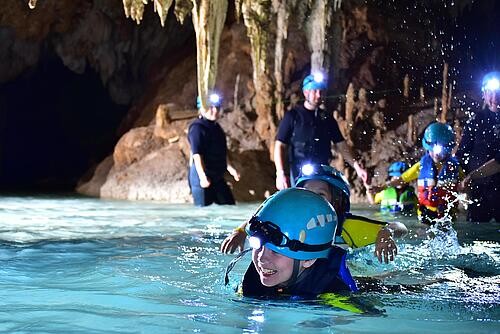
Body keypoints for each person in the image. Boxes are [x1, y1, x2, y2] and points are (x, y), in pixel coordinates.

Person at [221, 164, 407, 264]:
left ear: (337, 202)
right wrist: (241, 232)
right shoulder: (293, 219)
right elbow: (265, 221)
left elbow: (400, 227)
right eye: (307, 193)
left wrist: (384, 234)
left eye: (320, 195)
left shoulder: (346, 226)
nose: (311, 199)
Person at [236, 188, 358, 298]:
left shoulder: (331, 296)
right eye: (258, 246)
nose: (261, 258)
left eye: (275, 251)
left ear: (308, 260)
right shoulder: (251, 283)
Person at [274, 72, 368, 189]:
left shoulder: (327, 118)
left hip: (321, 170)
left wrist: (357, 168)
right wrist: (280, 173)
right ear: (306, 92)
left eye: (321, 91)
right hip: (298, 171)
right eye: (314, 91)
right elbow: (280, 145)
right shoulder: (293, 116)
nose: (319, 95)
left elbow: (341, 145)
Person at [374, 122, 462, 225]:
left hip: (448, 217)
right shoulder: (421, 166)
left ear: (448, 149)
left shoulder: (455, 168)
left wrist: (463, 186)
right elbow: (402, 180)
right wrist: (383, 187)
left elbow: (467, 184)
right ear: (427, 147)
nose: (437, 154)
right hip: (425, 215)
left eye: (441, 151)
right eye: (432, 149)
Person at [456, 71, 500, 222]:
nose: (494, 96)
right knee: (476, 235)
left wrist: (471, 176)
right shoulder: (476, 121)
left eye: (498, 91)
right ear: (484, 94)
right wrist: (457, 177)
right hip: (479, 191)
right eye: (490, 91)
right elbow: (461, 154)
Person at [188, 93, 240, 206]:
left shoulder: (217, 128)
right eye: (211, 107)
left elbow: (222, 153)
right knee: (204, 213)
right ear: (201, 108)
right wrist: (202, 177)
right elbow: (197, 155)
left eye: (217, 107)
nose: (215, 110)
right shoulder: (197, 128)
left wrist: (231, 169)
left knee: (229, 206)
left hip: (217, 176)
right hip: (201, 177)